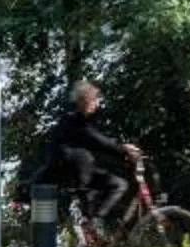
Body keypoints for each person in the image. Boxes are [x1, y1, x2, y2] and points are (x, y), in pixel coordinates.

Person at [44, 80, 139, 229]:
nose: (96, 104)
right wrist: (123, 150)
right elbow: (97, 141)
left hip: (80, 172)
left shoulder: (81, 120)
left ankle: (94, 222)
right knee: (109, 186)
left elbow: (100, 142)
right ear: (83, 101)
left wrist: (122, 154)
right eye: (93, 100)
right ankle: (92, 222)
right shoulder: (73, 120)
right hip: (74, 174)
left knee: (118, 184)